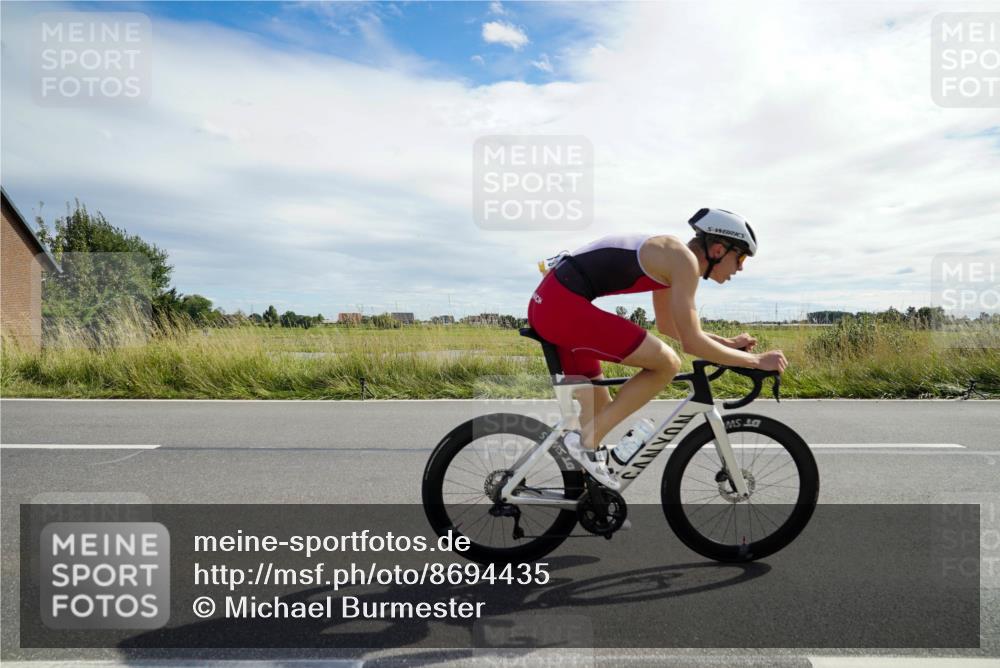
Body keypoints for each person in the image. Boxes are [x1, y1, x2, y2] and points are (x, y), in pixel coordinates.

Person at [526, 207, 788, 489]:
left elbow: (670, 327)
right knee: (667, 363)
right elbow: (690, 343)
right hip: (562, 307)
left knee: (599, 414)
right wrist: (757, 361)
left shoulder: (672, 258)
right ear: (718, 249)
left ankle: (588, 494)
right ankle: (581, 443)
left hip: (554, 304)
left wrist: (727, 344)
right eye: (741, 257)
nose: (741, 267)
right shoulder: (683, 261)